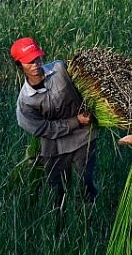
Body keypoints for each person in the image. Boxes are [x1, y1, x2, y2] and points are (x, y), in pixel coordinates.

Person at [11, 37, 98, 210]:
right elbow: (45, 129)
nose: (35, 64)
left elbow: (85, 86)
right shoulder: (25, 102)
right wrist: (76, 121)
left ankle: (87, 219)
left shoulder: (60, 69)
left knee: (85, 183)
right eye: (29, 62)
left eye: (37, 58)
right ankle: (60, 226)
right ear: (20, 66)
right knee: (58, 193)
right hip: (54, 148)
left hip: (84, 137)